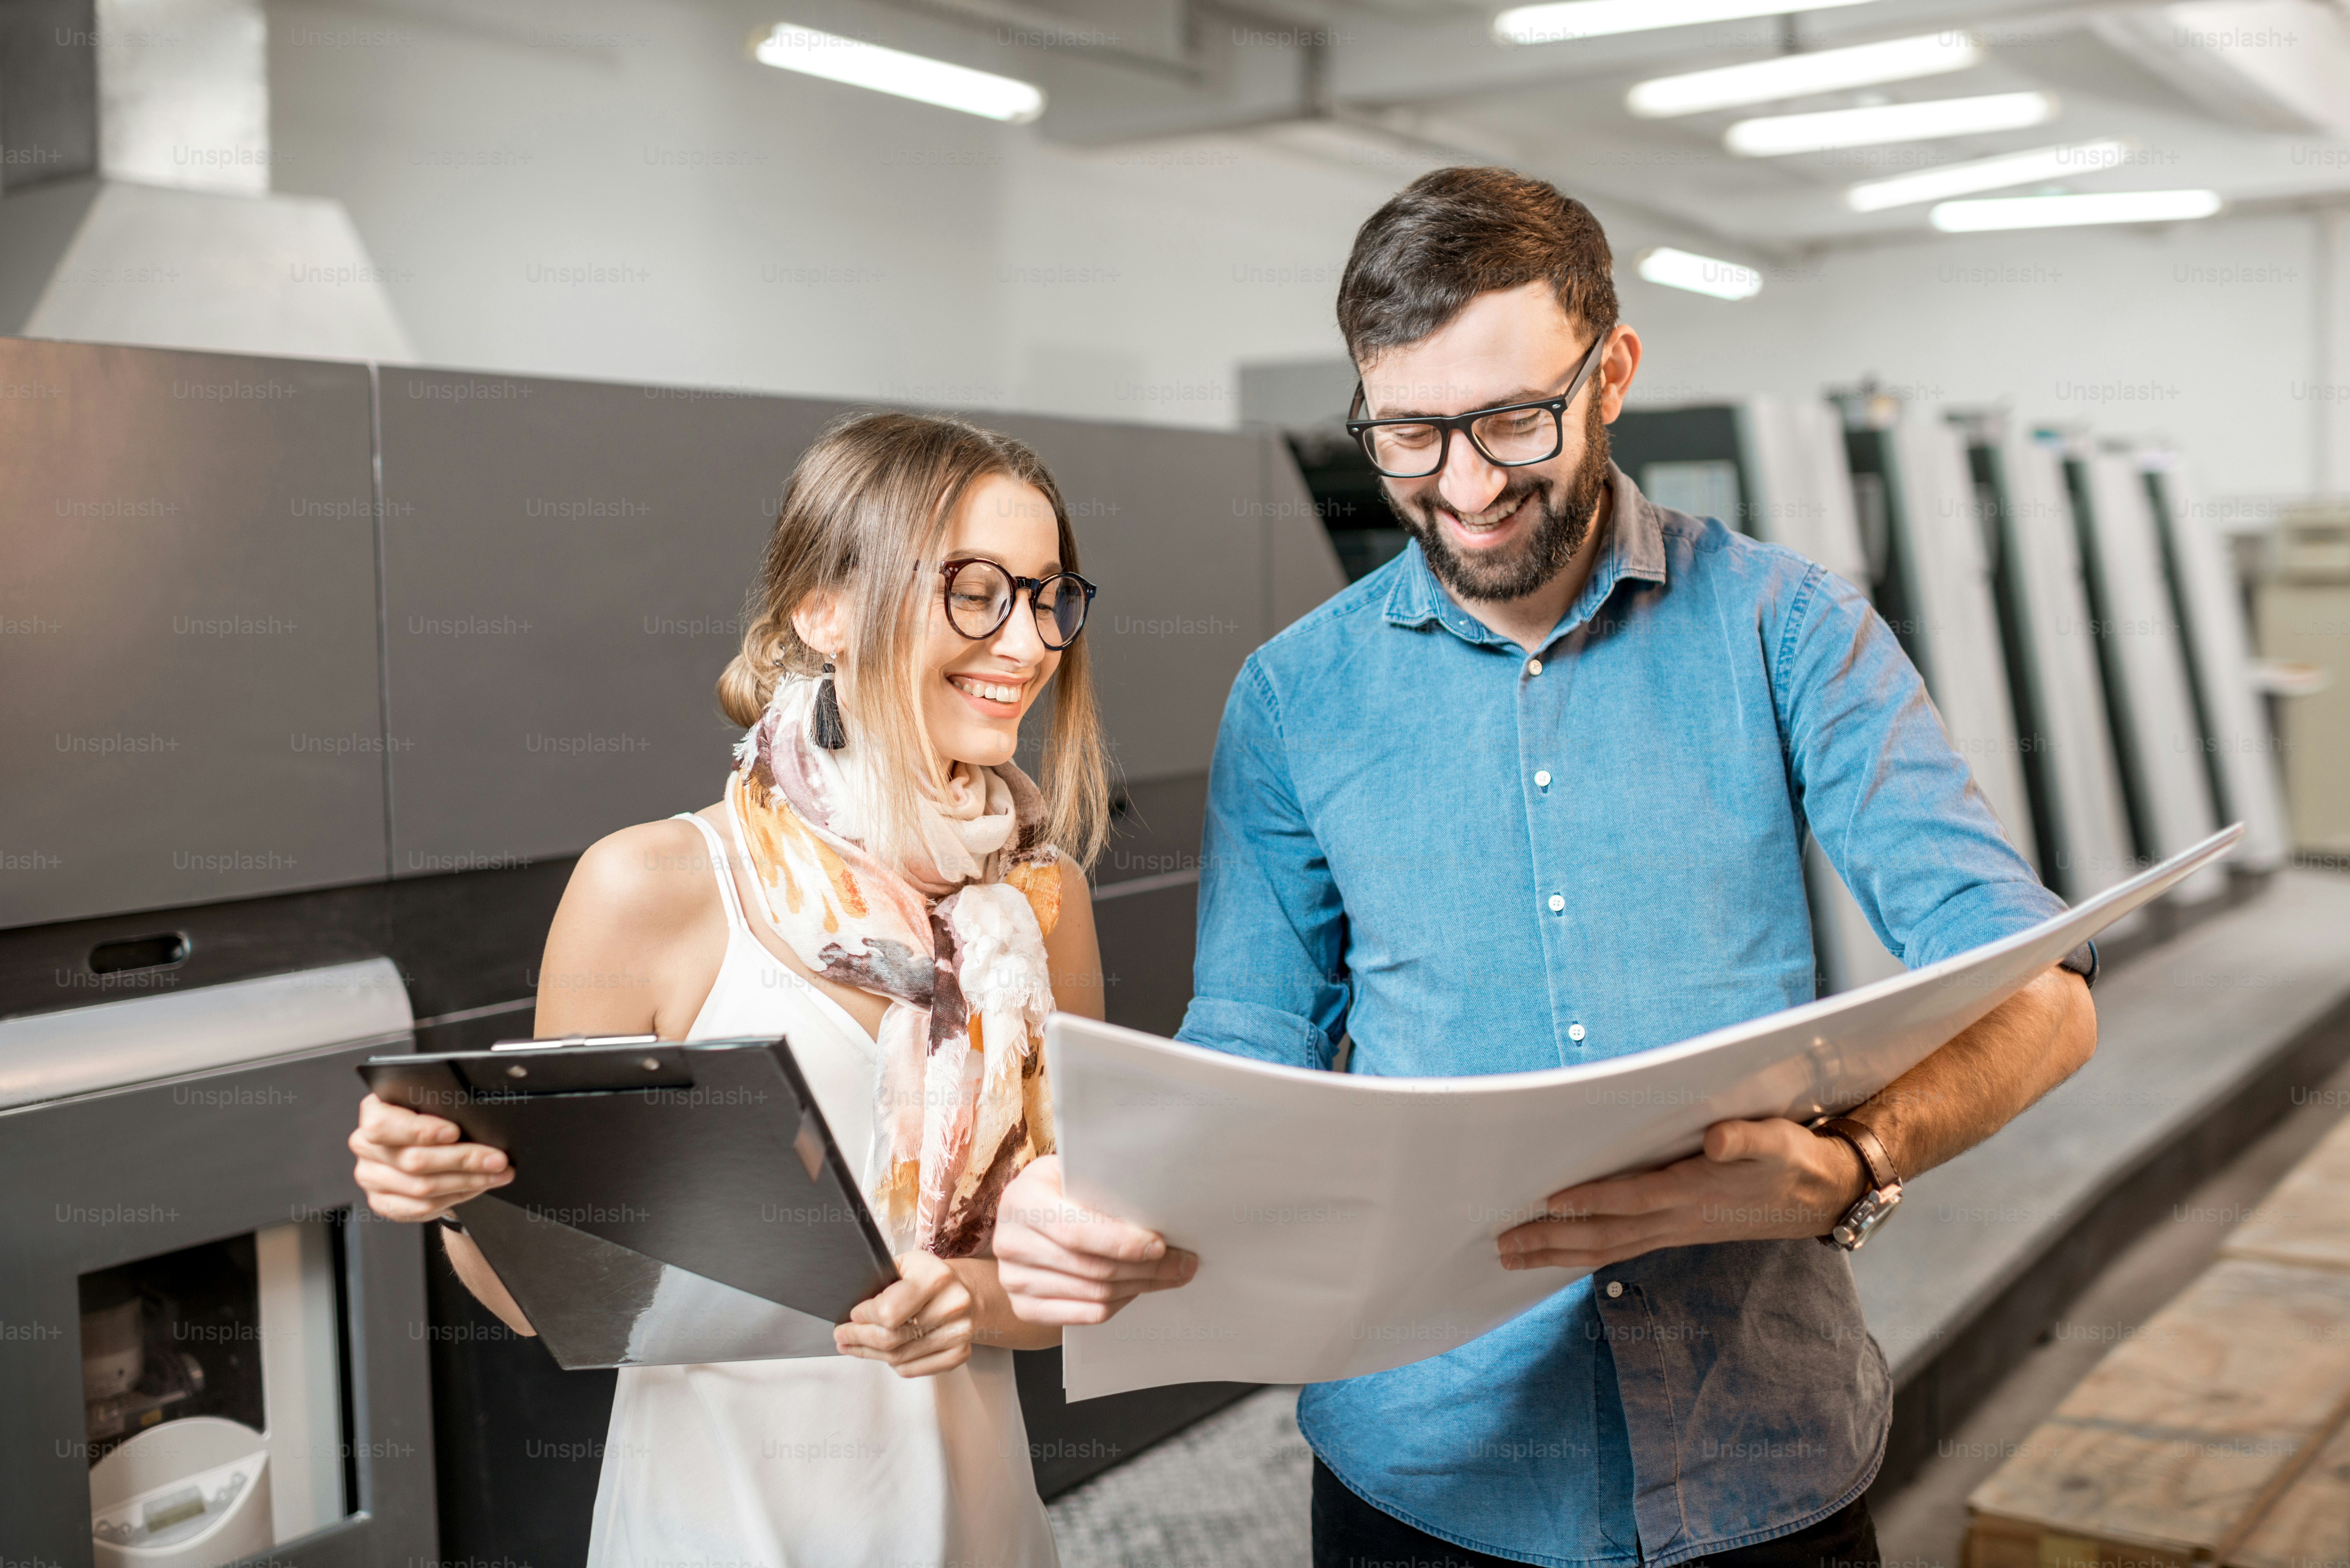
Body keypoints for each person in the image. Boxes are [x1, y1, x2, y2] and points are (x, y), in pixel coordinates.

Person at [994, 166, 2100, 1568]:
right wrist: (1109, 1197)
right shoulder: (1293, 699)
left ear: (1613, 370)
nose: (1462, 488)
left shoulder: (1788, 630)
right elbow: (1249, 1045)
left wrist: (1856, 1159)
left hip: (1760, 1460)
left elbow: (2043, 988)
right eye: (1405, 435)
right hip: (1425, 1473)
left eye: (1514, 420)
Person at [348, 410, 1125, 1568]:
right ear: (825, 610)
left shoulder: (1042, 899)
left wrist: (965, 1298)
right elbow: (545, 1299)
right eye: (975, 590)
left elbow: (1076, 1273)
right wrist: (463, 1191)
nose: (1026, 642)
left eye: (1048, 595)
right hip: (713, 1528)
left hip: (974, 1524)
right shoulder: (650, 888)